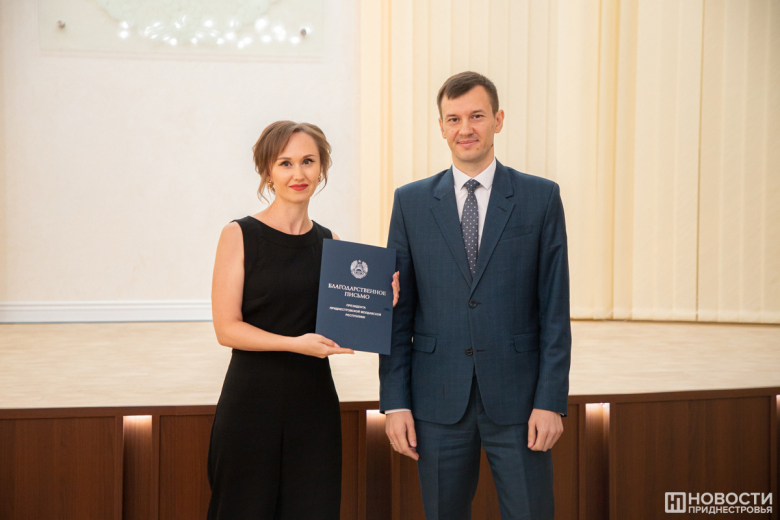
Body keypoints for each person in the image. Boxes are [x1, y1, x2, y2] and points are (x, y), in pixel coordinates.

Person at [380, 71, 571, 520]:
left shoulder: (541, 198)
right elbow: (398, 313)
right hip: (436, 399)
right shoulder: (410, 202)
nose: (465, 128)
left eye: (477, 116)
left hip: (520, 401)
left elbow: (554, 309)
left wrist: (550, 400)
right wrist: (395, 401)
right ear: (441, 126)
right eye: (453, 119)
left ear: (498, 120)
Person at [207, 120, 400, 519]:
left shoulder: (332, 244)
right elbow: (227, 329)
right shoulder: (239, 234)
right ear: (267, 172)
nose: (299, 173)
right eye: (285, 163)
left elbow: (347, 323)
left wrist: (385, 301)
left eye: (308, 161)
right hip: (250, 402)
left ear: (321, 168)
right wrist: (294, 344)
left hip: (313, 405)